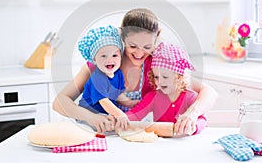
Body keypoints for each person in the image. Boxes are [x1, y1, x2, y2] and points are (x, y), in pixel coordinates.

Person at [53, 8, 217, 134]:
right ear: (122, 37)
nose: (139, 53)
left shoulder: (157, 66)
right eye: (133, 46)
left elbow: (209, 91)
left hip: (129, 134)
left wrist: (192, 113)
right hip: (91, 133)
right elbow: (59, 102)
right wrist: (90, 117)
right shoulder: (104, 62)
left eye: (147, 47)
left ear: (156, 40)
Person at [126, 42, 207, 135]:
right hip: (160, 144)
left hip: (185, 142)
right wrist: (120, 119)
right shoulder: (153, 97)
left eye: (165, 77)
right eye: (156, 77)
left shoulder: (190, 97)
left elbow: (202, 119)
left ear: (179, 77)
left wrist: (194, 127)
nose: (159, 81)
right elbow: (136, 114)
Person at [77, 25, 139, 129]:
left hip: (104, 114)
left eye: (114, 56)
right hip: (88, 116)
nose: (109, 60)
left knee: (115, 124)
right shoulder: (97, 78)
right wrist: (119, 114)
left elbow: (117, 94)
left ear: (120, 57)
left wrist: (129, 102)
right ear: (95, 60)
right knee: (110, 124)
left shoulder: (118, 74)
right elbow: (103, 100)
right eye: (103, 56)